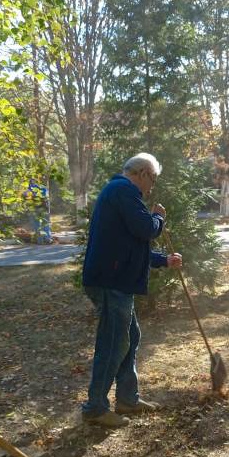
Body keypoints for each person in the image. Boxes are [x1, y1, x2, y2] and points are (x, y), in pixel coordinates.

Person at [81, 153, 182, 429]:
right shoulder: (123, 189)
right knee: (114, 342)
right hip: (110, 282)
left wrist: (164, 260)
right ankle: (95, 407)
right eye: (153, 179)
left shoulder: (119, 192)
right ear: (143, 173)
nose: (152, 186)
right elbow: (146, 229)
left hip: (114, 281)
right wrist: (159, 218)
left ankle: (127, 398)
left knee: (130, 337)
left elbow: (132, 245)